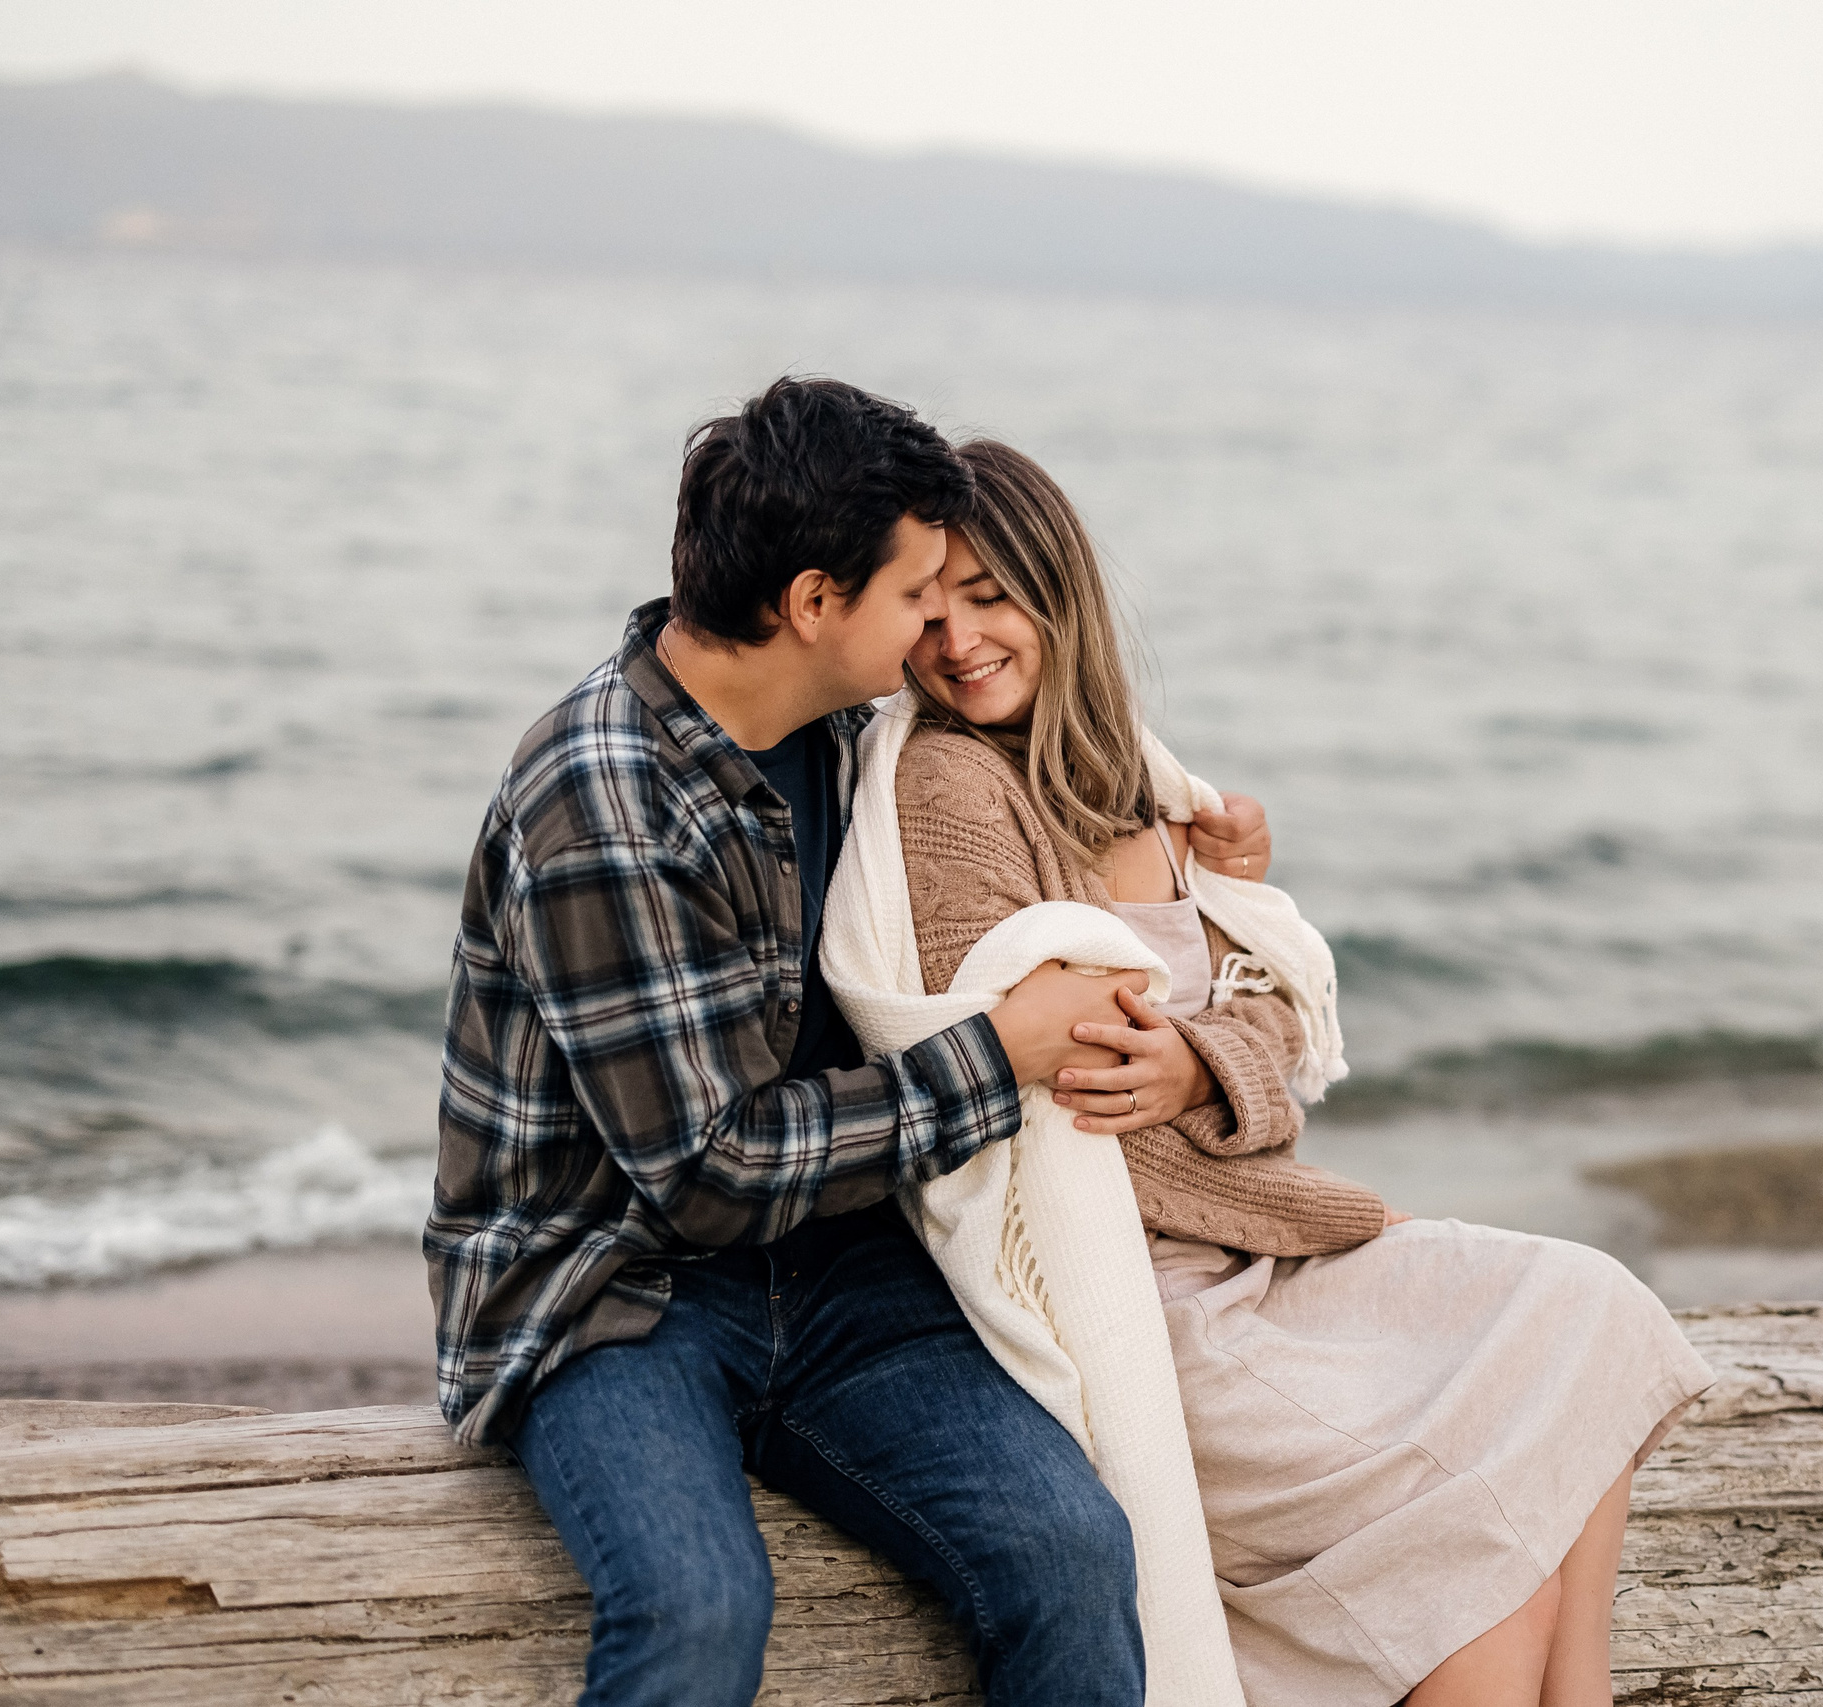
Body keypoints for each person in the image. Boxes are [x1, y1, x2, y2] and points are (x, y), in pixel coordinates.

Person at [424, 380, 1266, 1706]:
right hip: (616, 1281)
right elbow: (707, 1170)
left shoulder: (854, 733)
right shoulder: (604, 798)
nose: (942, 619)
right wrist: (1001, 1050)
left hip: (846, 1263)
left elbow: (1061, 772)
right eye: (919, 589)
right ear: (817, 603)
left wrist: (1204, 860)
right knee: (700, 1605)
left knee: (1069, 1546)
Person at [885, 439, 1717, 1707]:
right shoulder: (949, 779)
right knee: (1477, 1549)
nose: (958, 641)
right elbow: (1059, 1082)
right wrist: (1194, 1071)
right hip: (1146, 1290)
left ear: (1061, 597)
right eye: (928, 609)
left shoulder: (1149, 784)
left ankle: (1580, 1690)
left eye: (991, 597)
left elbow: (1269, 1015)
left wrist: (1203, 1058)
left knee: (1586, 1305)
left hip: (1259, 1247)